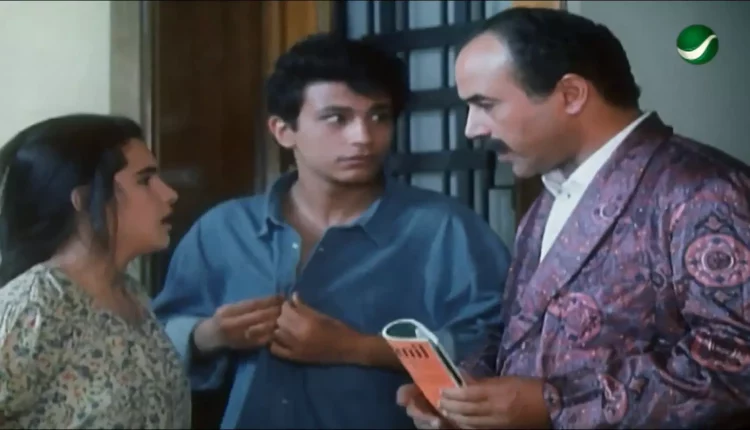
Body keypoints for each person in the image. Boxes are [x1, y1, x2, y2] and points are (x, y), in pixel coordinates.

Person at [397, 7, 750, 429]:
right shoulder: (549, 196)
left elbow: (736, 362)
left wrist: (554, 405)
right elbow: (519, 333)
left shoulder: (703, 190)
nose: (472, 128)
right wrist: (469, 394)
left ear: (571, 94)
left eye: (485, 105)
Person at [150, 33, 511, 429]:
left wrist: (356, 348)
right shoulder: (224, 230)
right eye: (337, 118)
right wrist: (208, 335)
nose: (363, 137)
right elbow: (152, 341)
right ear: (283, 130)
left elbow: (497, 345)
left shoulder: (444, 229)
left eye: (379, 117)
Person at [0, 114, 190, 428]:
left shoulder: (133, 295)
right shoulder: (35, 307)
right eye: (144, 180)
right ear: (85, 200)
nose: (170, 193)